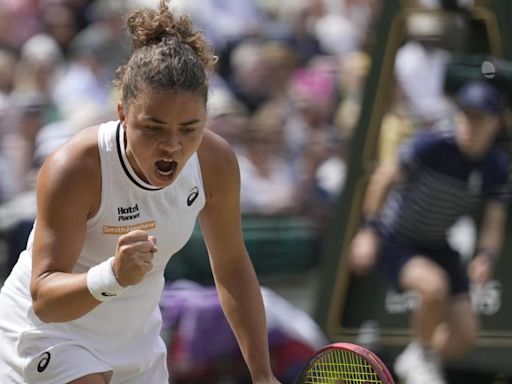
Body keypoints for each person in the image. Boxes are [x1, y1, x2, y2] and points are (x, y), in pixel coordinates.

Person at [0, 2, 281, 384]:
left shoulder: (215, 164)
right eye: (153, 128)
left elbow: (231, 266)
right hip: (49, 335)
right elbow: (44, 299)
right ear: (122, 114)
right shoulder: (76, 168)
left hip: (137, 346)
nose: (172, 145)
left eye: (189, 128)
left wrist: (262, 375)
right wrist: (113, 275)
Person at [348, 80, 510, 384]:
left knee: (465, 336)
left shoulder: (496, 167)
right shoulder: (434, 144)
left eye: (479, 118)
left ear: (495, 124)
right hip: (395, 239)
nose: (469, 125)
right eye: (464, 115)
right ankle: (420, 355)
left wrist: (486, 256)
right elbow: (384, 177)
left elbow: (494, 220)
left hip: (436, 243)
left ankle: (416, 357)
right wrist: (368, 231)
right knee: (433, 287)